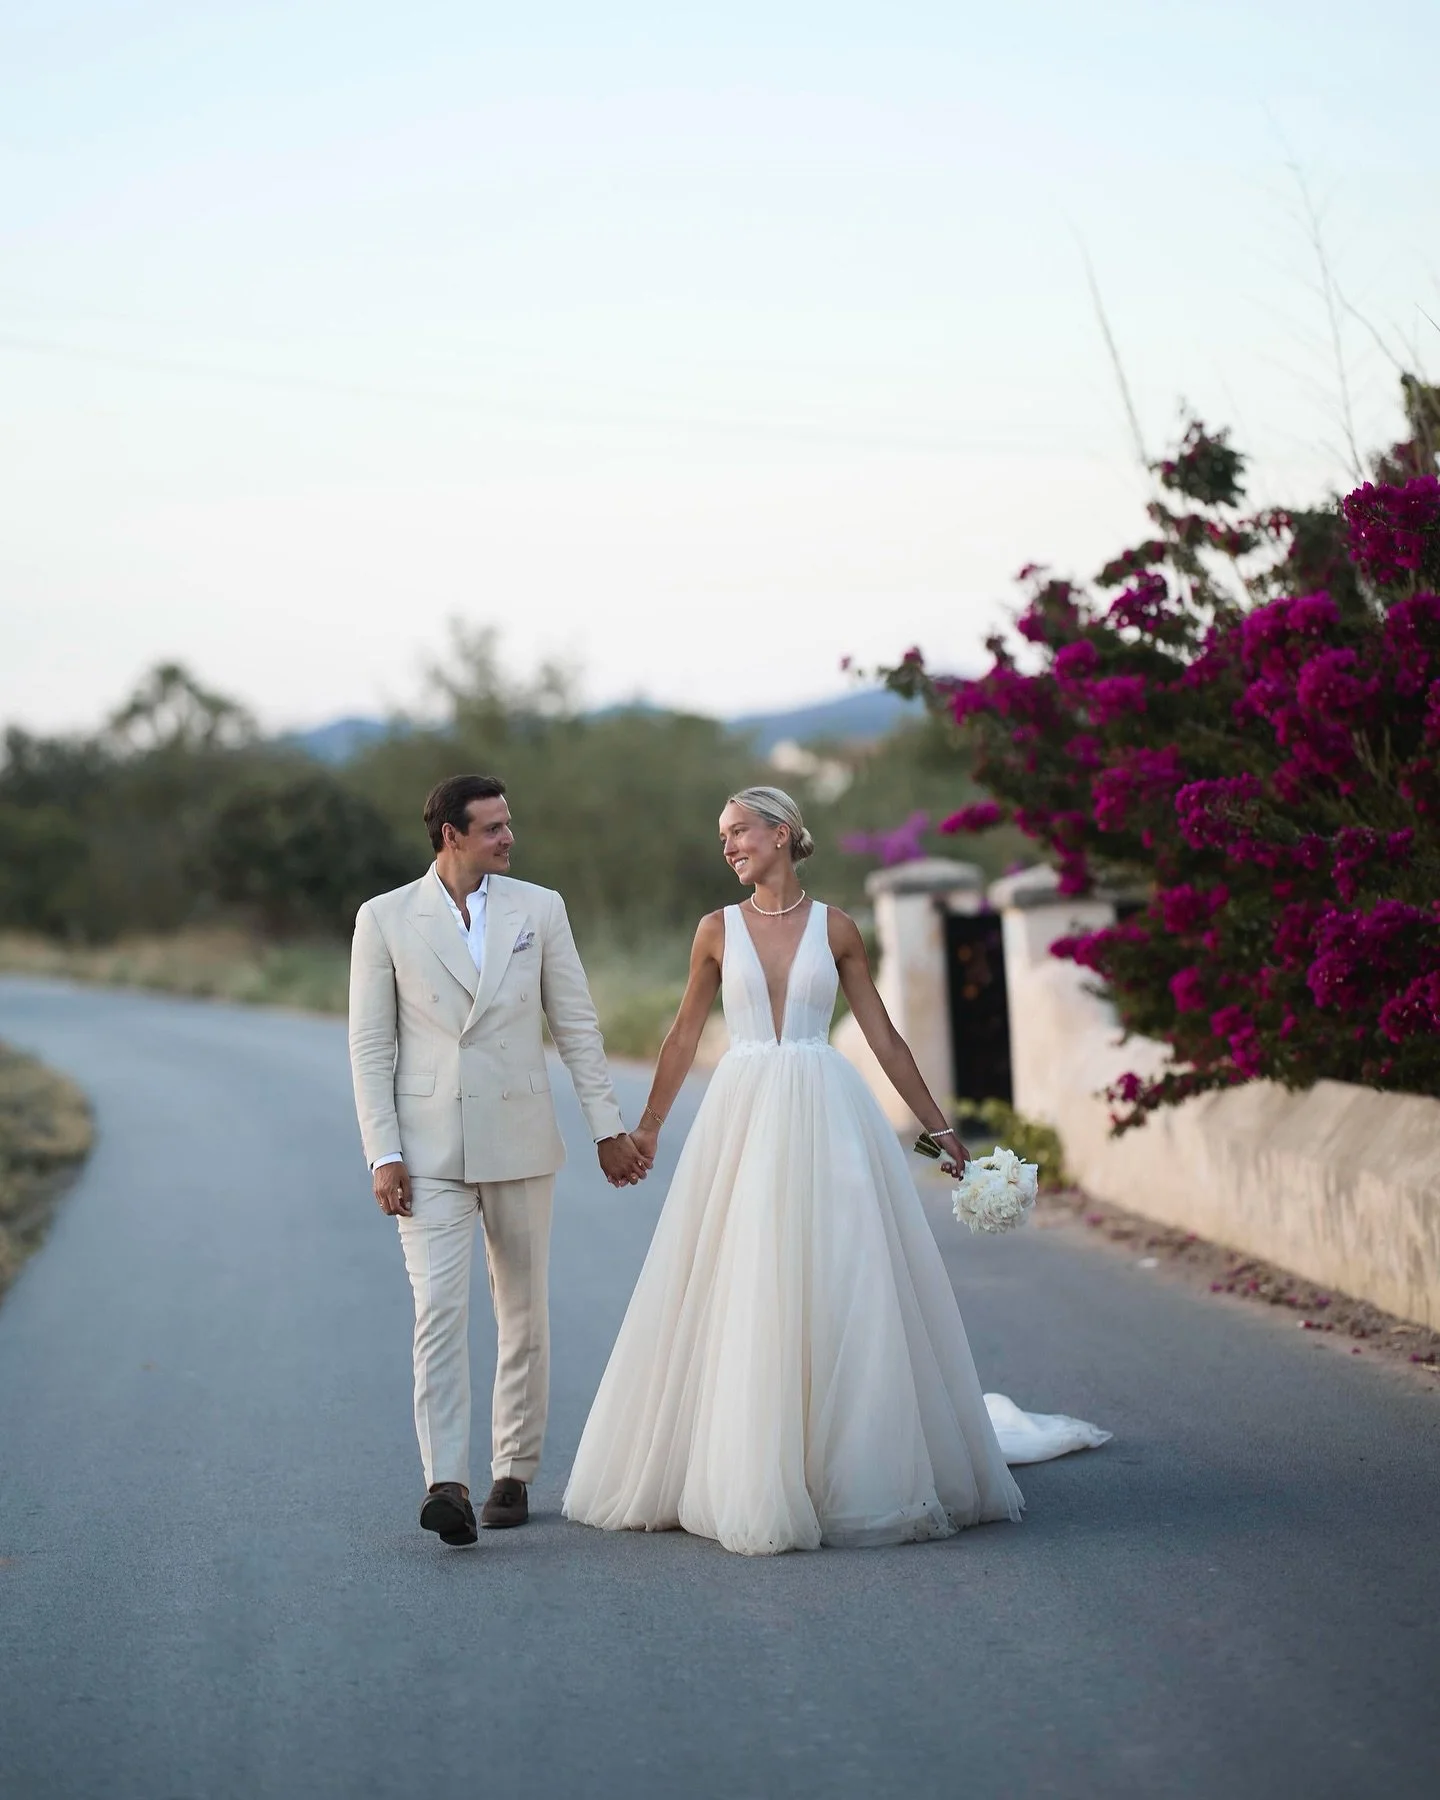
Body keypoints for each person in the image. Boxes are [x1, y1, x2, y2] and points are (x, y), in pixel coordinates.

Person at [563, 786, 1107, 1555]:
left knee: (844, 1275)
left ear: (781, 834)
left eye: (739, 831)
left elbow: (884, 1037)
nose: (728, 847)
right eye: (723, 837)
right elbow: (685, 1035)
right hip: (743, 1116)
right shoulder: (715, 930)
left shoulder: (839, 929)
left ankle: (843, 1465)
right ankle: (743, 1461)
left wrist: (940, 1128)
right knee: (743, 1278)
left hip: (827, 1110)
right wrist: (647, 1126)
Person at [348, 773, 649, 1548]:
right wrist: (383, 1152)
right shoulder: (384, 919)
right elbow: (370, 1046)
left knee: (522, 1313)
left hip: (518, 1137)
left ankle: (512, 1470)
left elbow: (576, 1025)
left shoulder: (538, 909)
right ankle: (445, 1480)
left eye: (508, 824)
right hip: (427, 1149)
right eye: (493, 828)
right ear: (451, 834)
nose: (509, 837)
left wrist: (606, 1127)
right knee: (439, 1311)